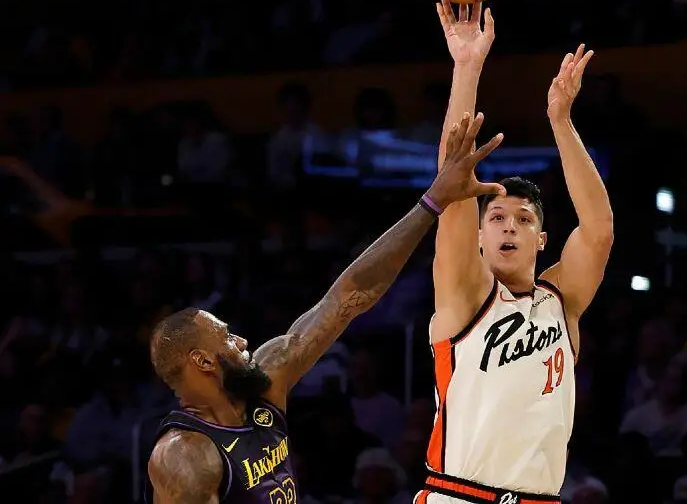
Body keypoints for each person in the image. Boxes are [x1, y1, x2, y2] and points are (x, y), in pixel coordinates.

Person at [144, 113, 506, 504]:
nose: (242, 341)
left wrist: (433, 201)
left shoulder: (267, 380)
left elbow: (347, 298)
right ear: (202, 360)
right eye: (227, 337)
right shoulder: (185, 456)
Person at [418, 0, 614, 504]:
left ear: (541, 240)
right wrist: (467, 68)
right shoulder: (466, 296)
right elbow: (453, 180)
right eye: (497, 218)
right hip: (460, 496)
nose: (510, 226)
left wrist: (561, 121)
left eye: (524, 220)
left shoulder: (560, 302)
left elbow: (598, 231)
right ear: (480, 237)